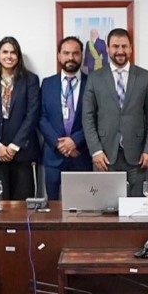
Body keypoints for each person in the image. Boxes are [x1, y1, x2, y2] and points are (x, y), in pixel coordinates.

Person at [82, 28, 148, 197]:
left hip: (138, 155)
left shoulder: (145, 77)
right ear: (108, 48)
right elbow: (87, 117)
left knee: (136, 208)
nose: (120, 51)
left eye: (124, 46)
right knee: (105, 208)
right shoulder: (95, 78)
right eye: (115, 46)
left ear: (131, 48)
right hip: (104, 155)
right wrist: (95, 150)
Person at [0, 37, 41, 200]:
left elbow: (32, 114)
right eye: (5, 52)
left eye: (13, 52)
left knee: (22, 205)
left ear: (18, 57)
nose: (9, 56)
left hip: (22, 152)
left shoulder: (30, 80)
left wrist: (14, 146)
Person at [39, 36, 92, 199]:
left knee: (83, 205)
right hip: (53, 155)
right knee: (53, 206)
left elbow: (96, 118)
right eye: (66, 53)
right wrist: (58, 143)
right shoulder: (47, 83)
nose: (71, 57)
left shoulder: (92, 83)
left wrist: (75, 140)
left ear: (81, 56)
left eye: (75, 53)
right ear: (59, 56)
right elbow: (40, 117)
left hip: (80, 154)